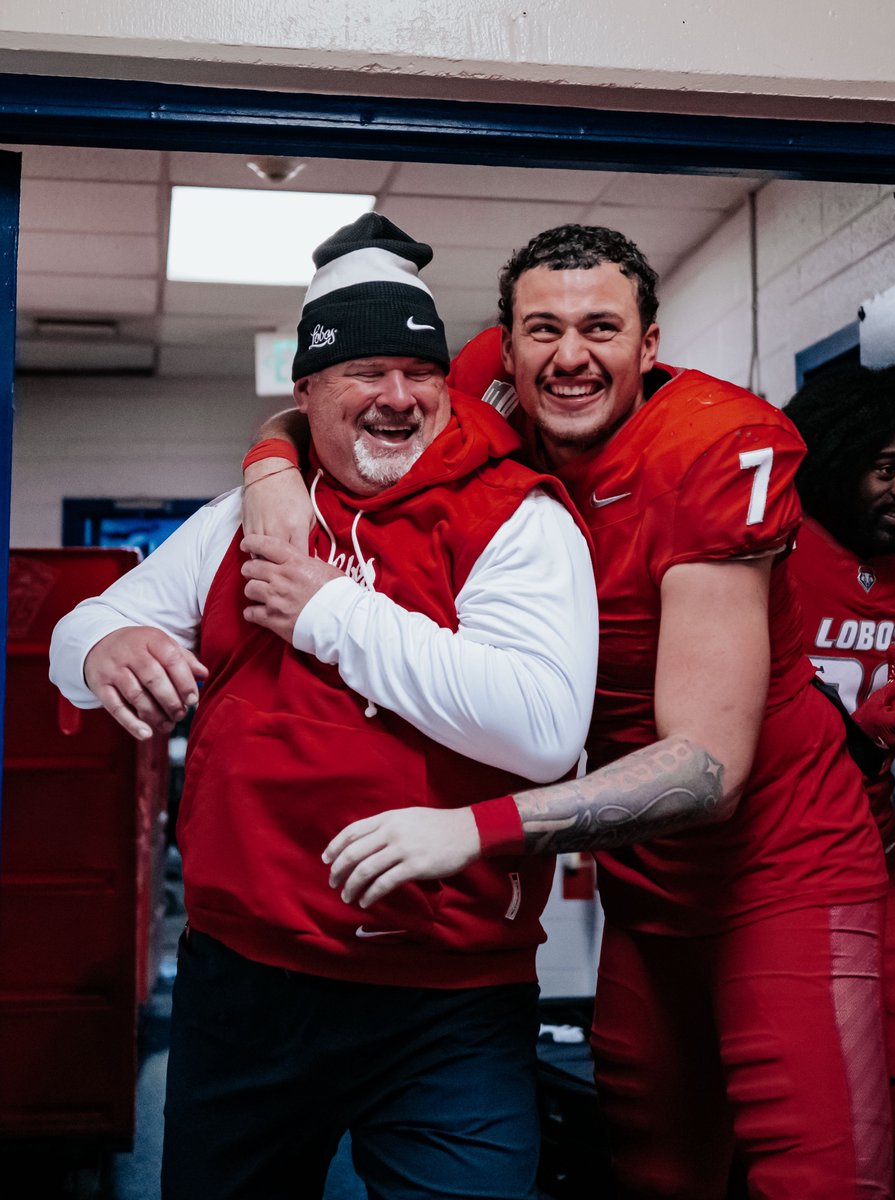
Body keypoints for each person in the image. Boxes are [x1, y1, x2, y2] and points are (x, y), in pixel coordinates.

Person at [243, 224, 893, 1199]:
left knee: (825, 1175)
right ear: (504, 350)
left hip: (782, 861)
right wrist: (270, 467)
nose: (571, 355)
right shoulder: (476, 385)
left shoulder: (717, 446)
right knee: (651, 1168)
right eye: (543, 329)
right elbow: (332, 401)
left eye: (602, 327)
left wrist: (473, 830)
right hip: (648, 884)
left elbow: (707, 768)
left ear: (650, 345)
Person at [48, 214, 599, 1200]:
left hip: (450, 995)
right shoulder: (241, 515)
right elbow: (83, 624)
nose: (397, 396)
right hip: (245, 983)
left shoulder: (517, 517)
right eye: (364, 371)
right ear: (305, 395)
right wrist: (104, 646)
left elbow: (541, 728)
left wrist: (327, 610)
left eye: (419, 371)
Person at [784, 363, 895, 1200]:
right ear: (836, 458)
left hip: (878, 857)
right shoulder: (775, 538)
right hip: (773, 871)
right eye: (885, 466)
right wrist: (856, 738)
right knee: (811, 1123)